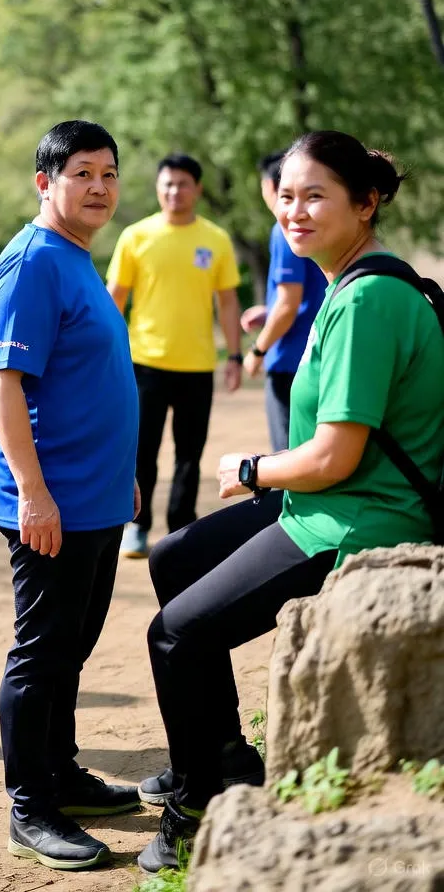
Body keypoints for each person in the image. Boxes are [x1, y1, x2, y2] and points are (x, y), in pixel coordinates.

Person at [136, 130, 444, 875]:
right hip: (328, 500)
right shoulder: (347, 283)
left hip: (360, 516)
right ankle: (225, 759)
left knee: (173, 636)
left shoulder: (367, 299)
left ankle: (197, 812)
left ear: (365, 205)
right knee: (175, 558)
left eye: (315, 197)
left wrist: (253, 465)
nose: (294, 212)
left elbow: (334, 455)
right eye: (286, 196)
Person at [0, 120, 142, 871]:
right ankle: (30, 805)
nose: (100, 188)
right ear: (45, 182)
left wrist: (122, 473)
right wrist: (33, 494)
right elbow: (3, 382)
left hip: (96, 495)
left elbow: (90, 378)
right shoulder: (34, 263)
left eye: (110, 173)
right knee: (42, 653)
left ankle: (64, 773)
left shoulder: (79, 258)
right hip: (51, 502)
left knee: (72, 649)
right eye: (83, 173)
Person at [107, 153, 243, 558]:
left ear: (197, 189)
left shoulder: (215, 239)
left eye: (182, 184)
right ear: (157, 188)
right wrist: (105, 353)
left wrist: (235, 356)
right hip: (144, 362)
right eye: (166, 184)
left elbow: (229, 303)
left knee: (189, 454)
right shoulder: (136, 236)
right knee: (142, 450)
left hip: (197, 365)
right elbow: (114, 298)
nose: (174, 191)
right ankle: (137, 524)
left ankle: (182, 530)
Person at [241, 151, 327, 451]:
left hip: (290, 360)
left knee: (288, 454)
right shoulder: (320, 225)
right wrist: (268, 311)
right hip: (319, 356)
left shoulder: (286, 227)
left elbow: (289, 304)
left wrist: (257, 349)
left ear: (269, 184)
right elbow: (305, 296)